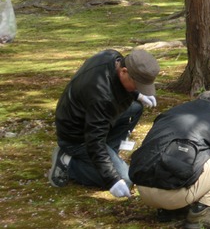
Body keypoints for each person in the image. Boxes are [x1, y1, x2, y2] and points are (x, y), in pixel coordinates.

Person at [48, 49, 160, 198]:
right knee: (125, 180)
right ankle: (70, 164)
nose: (139, 89)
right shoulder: (101, 96)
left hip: (88, 119)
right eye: (137, 85)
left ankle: (107, 155)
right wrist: (112, 179)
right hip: (77, 137)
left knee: (135, 109)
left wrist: (137, 94)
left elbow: (116, 87)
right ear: (124, 71)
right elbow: (94, 141)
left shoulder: (112, 56)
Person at [130, 91, 210, 229]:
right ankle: (203, 211)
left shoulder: (171, 112)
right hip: (175, 196)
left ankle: (170, 210)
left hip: (143, 190)